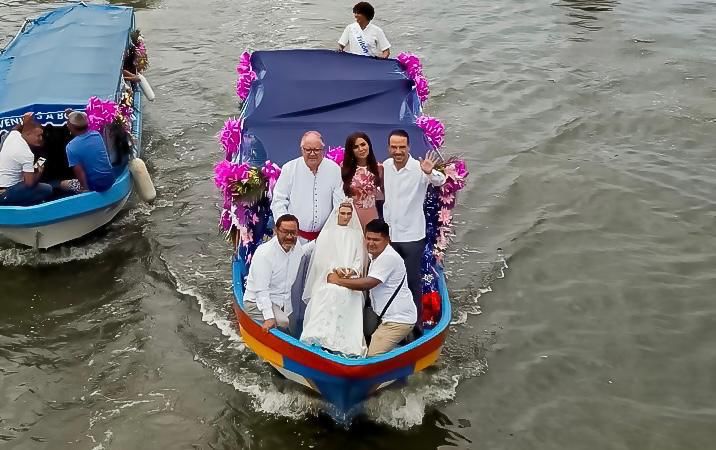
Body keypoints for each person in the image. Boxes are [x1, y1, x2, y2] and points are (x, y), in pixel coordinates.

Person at [328, 219, 416, 356]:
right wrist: (350, 272)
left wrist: (337, 281)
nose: (371, 243)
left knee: (372, 357)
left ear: (387, 239)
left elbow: (368, 283)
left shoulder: (388, 257)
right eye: (368, 238)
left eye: (376, 240)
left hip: (397, 320)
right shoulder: (375, 254)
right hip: (383, 315)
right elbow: (365, 269)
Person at [382, 129, 446, 315]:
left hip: (412, 236)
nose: (398, 151)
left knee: (411, 281)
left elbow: (440, 181)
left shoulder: (420, 168)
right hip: (390, 236)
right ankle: (392, 318)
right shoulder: (386, 166)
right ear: (389, 148)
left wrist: (430, 172)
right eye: (394, 147)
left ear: (408, 147)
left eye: (402, 147)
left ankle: (415, 324)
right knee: (390, 280)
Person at [300, 201, 367, 356]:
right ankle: (320, 337)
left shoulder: (357, 235)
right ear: (337, 214)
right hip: (328, 277)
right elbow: (320, 260)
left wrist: (352, 271)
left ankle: (346, 344)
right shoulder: (327, 233)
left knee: (350, 295)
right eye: (342, 213)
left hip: (349, 279)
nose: (345, 217)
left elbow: (359, 260)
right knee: (330, 291)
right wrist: (334, 271)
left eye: (348, 214)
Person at [244, 214, 315, 332]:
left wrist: (319, 241)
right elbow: (261, 291)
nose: (289, 236)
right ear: (276, 231)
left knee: (295, 327)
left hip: (282, 303)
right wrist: (269, 318)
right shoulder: (264, 254)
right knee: (284, 322)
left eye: (293, 233)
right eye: (285, 232)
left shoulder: (295, 246)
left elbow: (302, 253)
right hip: (256, 303)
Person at [271, 131, 344, 242]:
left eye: (316, 150)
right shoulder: (289, 169)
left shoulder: (334, 169)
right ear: (302, 150)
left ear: (323, 150)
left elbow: (339, 204)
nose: (312, 153)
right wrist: (285, 228)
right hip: (294, 237)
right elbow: (278, 200)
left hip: (324, 238)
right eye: (308, 150)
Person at [0, 113, 53, 206]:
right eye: (38, 135)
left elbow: (15, 128)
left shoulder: (13, 135)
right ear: (28, 134)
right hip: (7, 190)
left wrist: (23, 121)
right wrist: (39, 171)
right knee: (47, 188)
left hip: (7, 182)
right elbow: (29, 184)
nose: (41, 139)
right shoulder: (26, 154)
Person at [57, 111, 115, 194]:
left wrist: (85, 190)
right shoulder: (96, 135)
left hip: (95, 185)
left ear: (72, 127)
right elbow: (81, 120)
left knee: (62, 184)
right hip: (110, 179)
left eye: (68, 123)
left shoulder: (71, 147)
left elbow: (79, 172)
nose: (67, 125)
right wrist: (74, 114)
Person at [342, 132, 384, 228]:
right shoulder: (343, 169)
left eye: (363, 144)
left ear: (369, 145)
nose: (361, 149)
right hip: (351, 217)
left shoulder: (379, 168)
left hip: (372, 216)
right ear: (351, 150)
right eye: (356, 147)